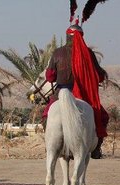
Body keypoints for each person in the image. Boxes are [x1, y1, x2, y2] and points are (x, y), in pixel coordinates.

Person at [44, 18, 109, 160]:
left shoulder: (57, 52)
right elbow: (100, 75)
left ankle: (49, 145)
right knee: (102, 116)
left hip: (60, 93)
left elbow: (49, 76)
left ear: (67, 36)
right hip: (83, 95)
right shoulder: (89, 54)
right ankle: (96, 148)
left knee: (47, 115)